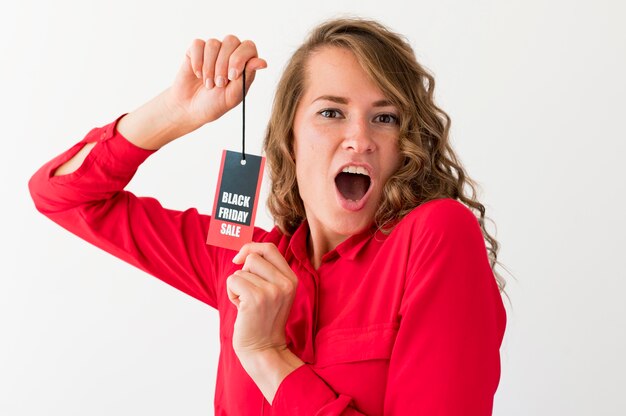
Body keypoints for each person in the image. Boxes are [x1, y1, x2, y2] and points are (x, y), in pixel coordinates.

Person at [29, 17, 507, 415]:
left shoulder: (435, 236)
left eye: (385, 118)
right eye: (331, 113)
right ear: (289, 139)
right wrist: (178, 110)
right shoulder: (242, 261)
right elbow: (62, 196)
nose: (360, 138)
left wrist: (268, 356)